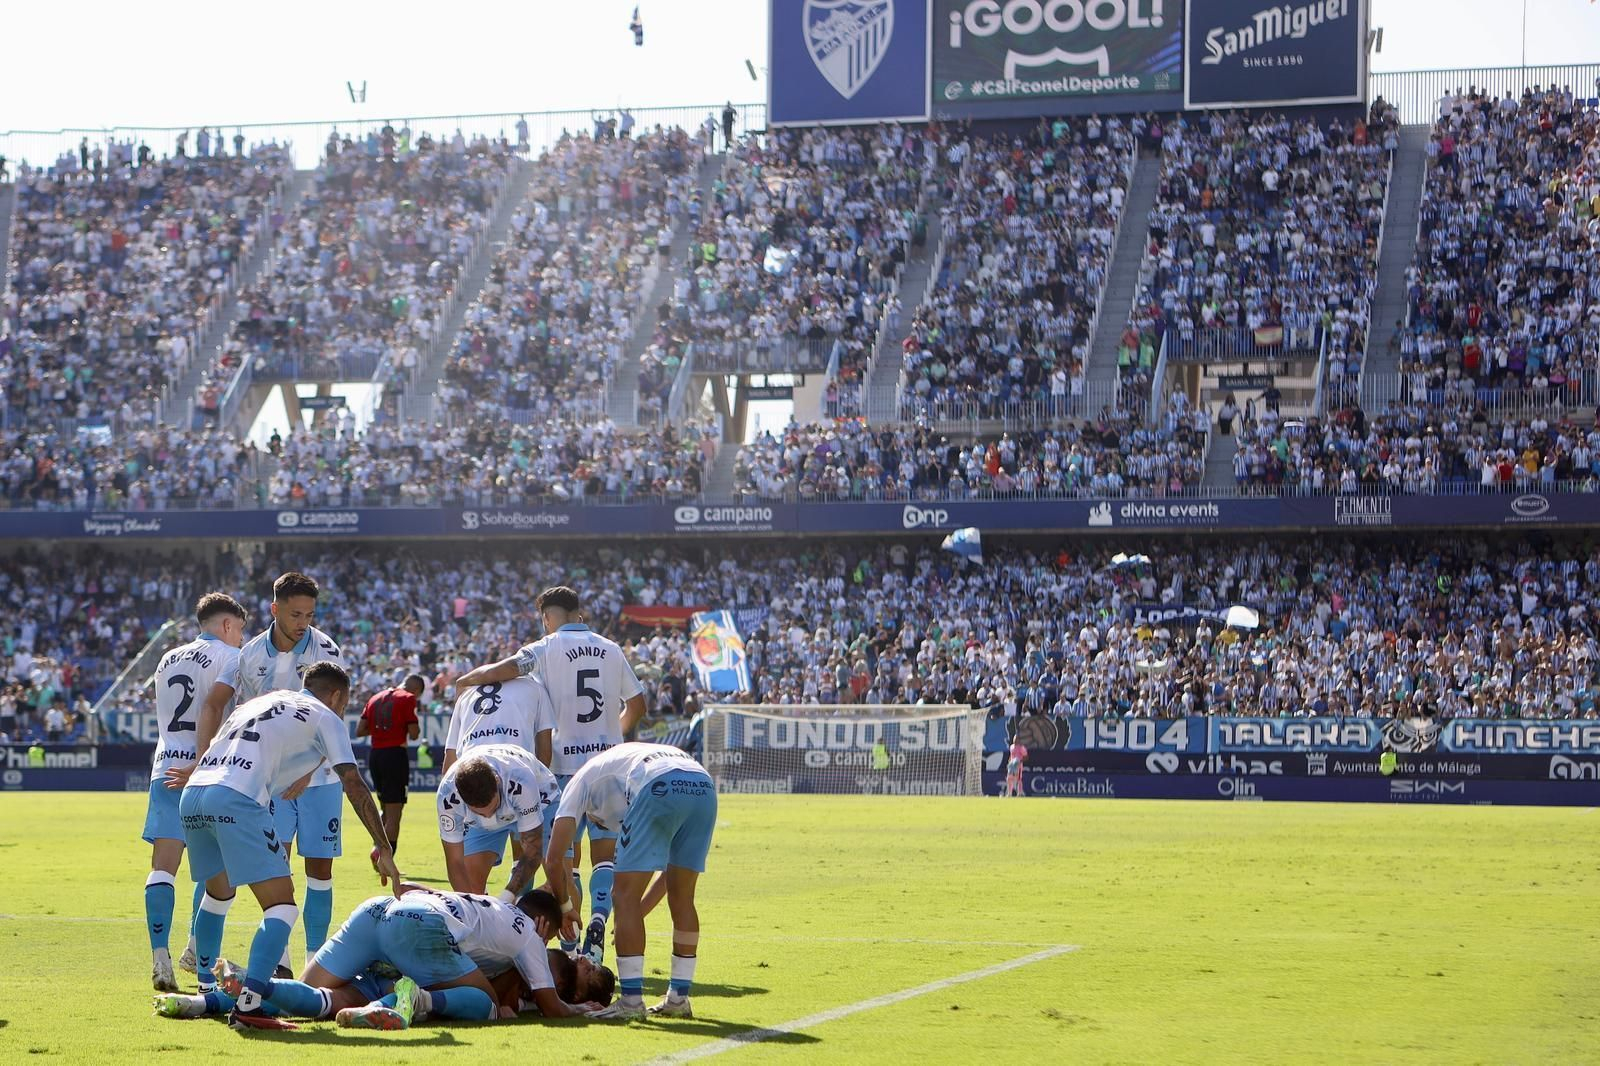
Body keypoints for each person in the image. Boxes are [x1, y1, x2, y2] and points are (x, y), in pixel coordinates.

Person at [173, 662, 399, 1031]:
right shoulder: (326, 716)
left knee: (216, 895)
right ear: (338, 695)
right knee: (281, 907)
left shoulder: (258, 703)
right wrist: (383, 846)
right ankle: (249, 1005)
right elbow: (353, 783)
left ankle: (207, 988)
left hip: (195, 794)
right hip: (236, 797)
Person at [455, 585, 647, 962]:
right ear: (578, 613)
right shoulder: (610, 648)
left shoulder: (544, 648)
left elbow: (503, 669)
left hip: (561, 770)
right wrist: (611, 736)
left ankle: (572, 945)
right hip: (608, 766)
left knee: (562, 858)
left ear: (546, 619)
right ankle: (596, 921)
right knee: (605, 856)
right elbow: (638, 704)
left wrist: (466, 681)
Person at [154, 887, 607, 1026]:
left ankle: (212, 1000)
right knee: (485, 1007)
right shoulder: (527, 937)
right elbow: (542, 1000)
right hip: (415, 935)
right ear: (543, 925)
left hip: (378, 914)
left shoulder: (492, 911)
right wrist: (580, 1008)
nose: (568, 960)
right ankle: (415, 1003)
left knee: (320, 999)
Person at [194, 571, 347, 970]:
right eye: (296, 614)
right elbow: (236, 712)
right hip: (270, 783)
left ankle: (316, 960)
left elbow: (333, 716)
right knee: (275, 865)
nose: (304, 624)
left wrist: (309, 770)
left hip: (320, 778)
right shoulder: (250, 655)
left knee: (319, 868)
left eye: (310, 615)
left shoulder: (327, 650)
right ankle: (279, 962)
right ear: (275, 609)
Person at [545, 742, 718, 1021]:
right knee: (683, 897)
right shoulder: (617, 772)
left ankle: (631, 1001)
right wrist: (638, 912)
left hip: (658, 783)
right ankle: (678, 998)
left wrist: (566, 909)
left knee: (621, 895)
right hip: (702, 782)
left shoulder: (578, 783)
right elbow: (668, 878)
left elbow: (553, 860)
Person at [144, 592, 249, 993]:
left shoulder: (167, 657)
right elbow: (213, 706)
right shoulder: (230, 657)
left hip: (165, 767)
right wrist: (203, 760)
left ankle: (161, 959)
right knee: (215, 872)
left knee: (161, 867)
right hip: (207, 772)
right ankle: (197, 954)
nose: (241, 637)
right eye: (239, 628)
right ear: (226, 625)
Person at [436, 745, 559, 898]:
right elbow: (455, 862)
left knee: (559, 879)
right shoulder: (447, 796)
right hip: (479, 824)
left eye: (492, 808)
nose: (488, 816)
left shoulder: (521, 779)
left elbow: (533, 851)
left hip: (541, 800)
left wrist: (506, 898)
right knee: (471, 887)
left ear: (498, 782)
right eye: (478, 811)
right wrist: (472, 909)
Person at [356, 675, 425, 863]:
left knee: (384, 808)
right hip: (395, 756)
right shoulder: (408, 698)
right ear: (417, 690)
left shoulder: (374, 698)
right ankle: (383, 857)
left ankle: (376, 846)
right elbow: (414, 733)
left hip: (375, 755)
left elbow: (360, 730)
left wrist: (383, 729)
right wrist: (401, 726)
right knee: (395, 813)